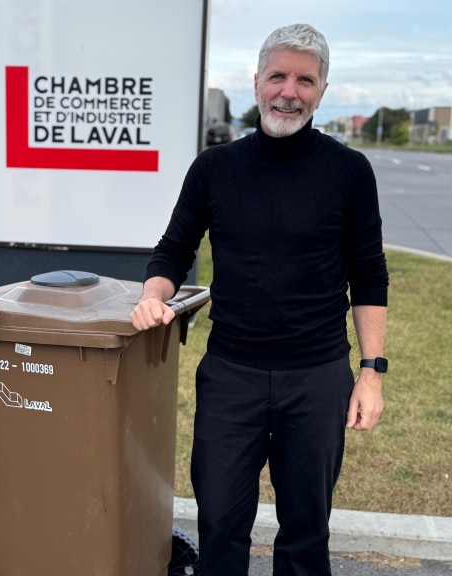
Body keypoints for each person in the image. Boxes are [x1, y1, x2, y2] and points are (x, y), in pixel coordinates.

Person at [131, 24, 389, 576]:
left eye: (304, 80)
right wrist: (153, 297)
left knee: (305, 533)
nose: (288, 91)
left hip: (317, 378)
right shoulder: (215, 168)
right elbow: (172, 252)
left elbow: (369, 276)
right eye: (278, 76)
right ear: (256, 83)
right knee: (221, 527)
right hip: (231, 376)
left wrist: (371, 371)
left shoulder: (349, 173)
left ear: (321, 91)